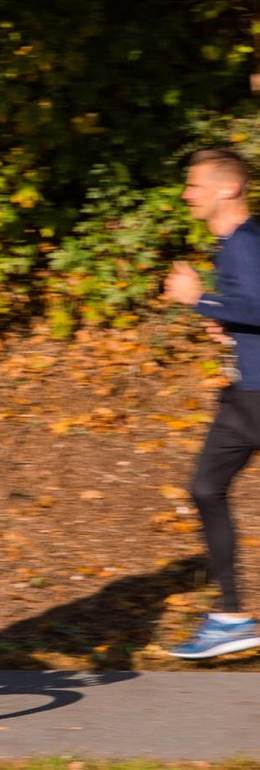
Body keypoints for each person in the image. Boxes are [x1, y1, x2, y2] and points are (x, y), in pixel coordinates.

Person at [163, 147, 260, 658]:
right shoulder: (236, 244)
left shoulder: (243, 242)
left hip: (256, 397)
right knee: (205, 487)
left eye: (195, 184)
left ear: (228, 188)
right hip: (247, 396)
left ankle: (232, 618)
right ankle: (230, 616)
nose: (186, 193)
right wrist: (227, 325)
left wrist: (198, 299)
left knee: (206, 488)